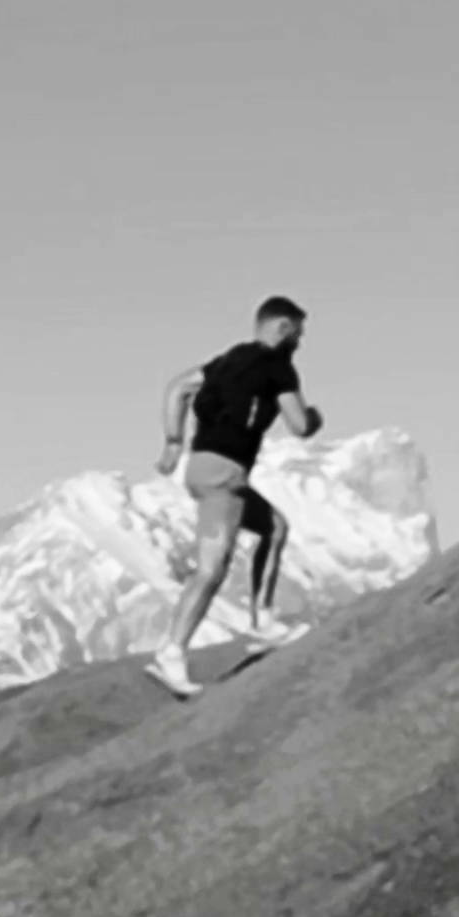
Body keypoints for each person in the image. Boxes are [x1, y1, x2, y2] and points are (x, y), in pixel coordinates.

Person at [146, 296, 323, 697]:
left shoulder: (227, 360)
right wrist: (316, 417)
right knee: (212, 569)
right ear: (283, 327)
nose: (300, 341)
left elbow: (177, 388)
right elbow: (299, 425)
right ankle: (171, 653)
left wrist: (173, 440)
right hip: (224, 473)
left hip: (201, 467)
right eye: (299, 332)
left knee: (274, 527)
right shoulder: (278, 367)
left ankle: (263, 622)